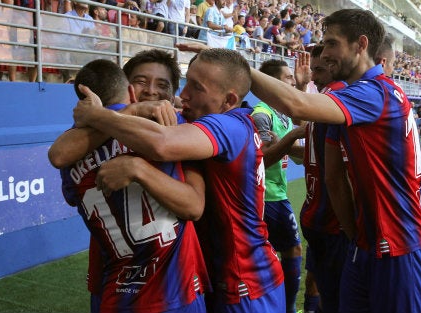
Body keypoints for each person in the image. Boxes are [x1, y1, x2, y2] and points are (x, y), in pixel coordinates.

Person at [250, 9, 421, 313]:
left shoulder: (375, 93)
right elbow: (333, 178)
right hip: (365, 243)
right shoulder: (354, 97)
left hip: (401, 245)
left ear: (360, 45)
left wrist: (234, 67)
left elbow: (296, 105)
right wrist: (356, 237)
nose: (324, 54)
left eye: (332, 44)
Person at [72, 48, 285, 313]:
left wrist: (97, 116)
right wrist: (124, 113)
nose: (183, 95)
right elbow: (58, 154)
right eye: (140, 81)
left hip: (240, 281)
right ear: (127, 88)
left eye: (195, 87)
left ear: (228, 100)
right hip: (131, 276)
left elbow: (165, 150)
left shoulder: (222, 126)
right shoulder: (182, 126)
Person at [57, 58, 210, 313]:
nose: (151, 91)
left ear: (172, 96)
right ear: (128, 88)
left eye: (162, 85)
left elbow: (58, 157)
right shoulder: (177, 132)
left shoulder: (81, 138)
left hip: (121, 287)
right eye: (141, 81)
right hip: (165, 290)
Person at [298, 44, 349, 313]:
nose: (313, 77)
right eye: (313, 70)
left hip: (315, 215)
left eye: (318, 70)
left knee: (321, 283)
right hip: (331, 221)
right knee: (341, 296)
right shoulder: (339, 98)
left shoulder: (325, 102)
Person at [251, 59, 304, 313]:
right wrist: (290, 139)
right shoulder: (262, 114)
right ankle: (286, 307)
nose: (292, 82)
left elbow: (295, 156)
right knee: (288, 250)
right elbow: (260, 161)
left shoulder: (282, 116)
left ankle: (286, 306)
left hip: (278, 193)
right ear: (273, 83)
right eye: (288, 78)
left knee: (290, 250)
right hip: (266, 197)